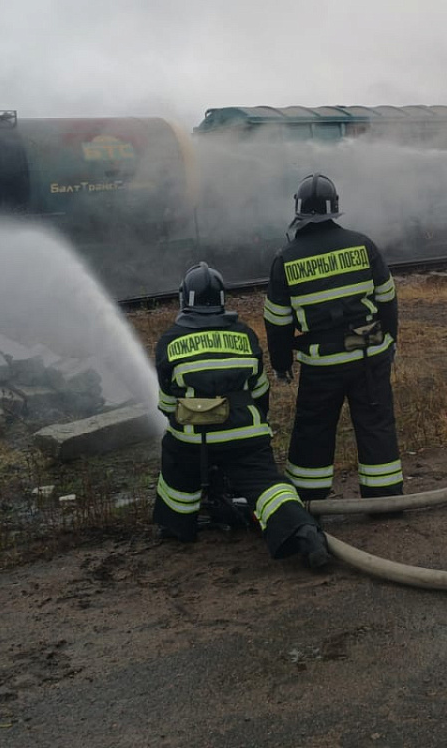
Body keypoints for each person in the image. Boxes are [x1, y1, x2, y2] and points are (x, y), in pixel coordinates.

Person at [152, 261, 330, 568]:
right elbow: (260, 393)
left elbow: (168, 405)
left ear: (185, 300)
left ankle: (177, 526)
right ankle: (303, 531)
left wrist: (187, 429)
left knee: (176, 459)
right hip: (245, 435)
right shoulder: (245, 336)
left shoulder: (169, 342)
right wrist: (250, 427)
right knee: (267, 484)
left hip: (193, 439)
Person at [263, 174, 402, 504]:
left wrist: (282, 366)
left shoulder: (287, 259)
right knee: (376, 423)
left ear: (299, 212)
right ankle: (385, 498)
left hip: (322, 360)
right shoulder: (363, 245)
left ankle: (309, 501)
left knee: (314, 429)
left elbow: (278, 323)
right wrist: (390, 341)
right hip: (368, 349)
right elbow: (387, 299)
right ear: (335, 209)